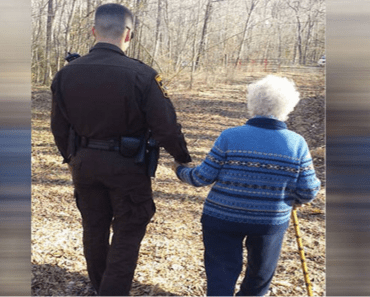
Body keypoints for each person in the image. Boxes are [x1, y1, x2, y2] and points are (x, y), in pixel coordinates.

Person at [50, 3, 191, 296]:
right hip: (128, 166)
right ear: (129, 34)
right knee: (128, 230)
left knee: (94, 227)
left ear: (93, 31)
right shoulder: (142, 75)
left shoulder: (66, 74)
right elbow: (166, 127)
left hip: (84, 163)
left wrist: (72, 157)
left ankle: (101, 286)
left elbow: (59, 128)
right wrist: (182, 159)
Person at [172, 75, 321, 296]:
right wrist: (295, 198)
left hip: (221, 217)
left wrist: (179, 169)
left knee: (220, 273)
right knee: (260, 276)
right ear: (289, 106)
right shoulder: (296, 143)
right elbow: (308, 191)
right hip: (268, 222)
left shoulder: (230, 136)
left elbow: (201, 177)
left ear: (252, 103)